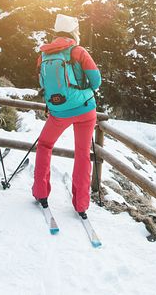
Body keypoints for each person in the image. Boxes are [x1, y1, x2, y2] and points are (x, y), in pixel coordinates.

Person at [33, 14, 101, 218]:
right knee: (82, 154)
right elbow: (96, 81)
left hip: (58, 111)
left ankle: (41, 193)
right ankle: (81, 204)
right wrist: (83, 92)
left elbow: (43, 85)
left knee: (44, 145)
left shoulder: (43, 56)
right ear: (73, 32)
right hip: (85, 111)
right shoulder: (78, 51)